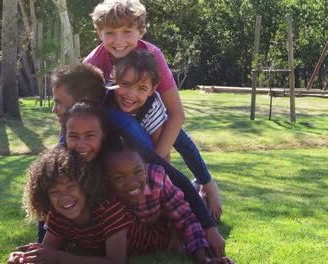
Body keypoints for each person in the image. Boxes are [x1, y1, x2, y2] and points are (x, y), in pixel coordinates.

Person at [47, 65, 226, 256]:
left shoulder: (120, 139)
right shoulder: (70, 142)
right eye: (73, 136)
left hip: (149, 214)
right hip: (121, 222)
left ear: (82, 103)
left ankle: (201, 191)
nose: (54, 109)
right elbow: (50, 194)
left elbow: (174, 177)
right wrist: (42, 248)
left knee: (173, 197)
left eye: (58, 102)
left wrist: (209, 228)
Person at [84, 0, 223, 222]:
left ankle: (205, 183)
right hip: (113, 118)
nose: (119, 41)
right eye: (110, 33)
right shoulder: (93, 63)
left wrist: (157, 165)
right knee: (124, 136)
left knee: (175, 133)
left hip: (148, 110)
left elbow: (177, 114)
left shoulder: (151, 55)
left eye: (127, 31)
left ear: (141, 31)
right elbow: (84, 115)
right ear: (99, 33)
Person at [7, 146, 174, 264]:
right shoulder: (59, 212)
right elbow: (48, 252)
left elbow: (117, 261)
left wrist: (59, 258)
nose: (64, 197)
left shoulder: (108, 208)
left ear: (85, 185)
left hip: (163, 239)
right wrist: (24, 258)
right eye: (54, 192)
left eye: (71, 187)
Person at [101, 131, 235, 264]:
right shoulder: (105, 195)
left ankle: (200, 189)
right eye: (119, 177)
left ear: (144, 165)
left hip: (167, 223)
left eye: (138, 171)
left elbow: (184, 216)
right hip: (155, 234)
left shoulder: (156, 178)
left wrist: (202, 258)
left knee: (195, 209)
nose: (132, 183)